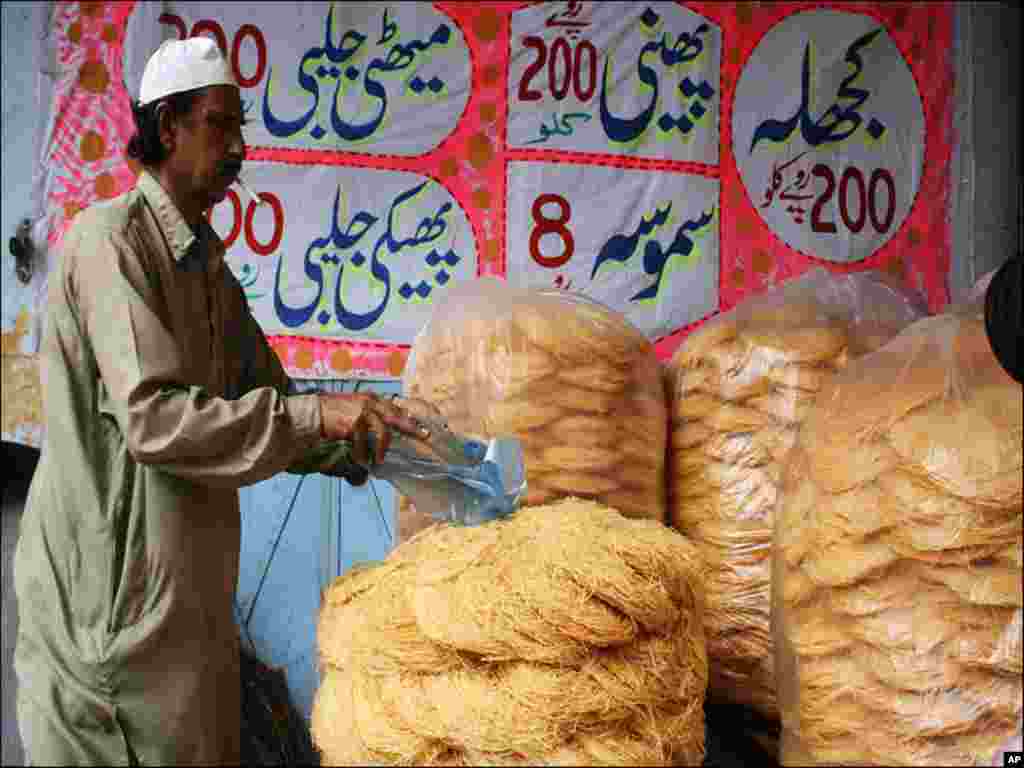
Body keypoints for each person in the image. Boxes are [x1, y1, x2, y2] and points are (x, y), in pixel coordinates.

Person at [13, 37, 435, 765]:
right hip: (105, 627)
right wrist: (316, 417)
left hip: (181, 626)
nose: (239, 147)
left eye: (241, 127)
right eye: (220, 124)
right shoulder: (110, 244)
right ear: (167, 126)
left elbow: (270, 404)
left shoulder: (208, 270)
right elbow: (155, 420)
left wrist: (371, 438)